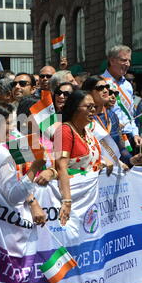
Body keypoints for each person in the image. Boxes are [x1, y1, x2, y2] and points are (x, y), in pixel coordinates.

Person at [0, 101, 48, 226]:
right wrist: (35, 167)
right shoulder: (0, 152)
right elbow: (14, 196)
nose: (12, 129)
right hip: (5, 228)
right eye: (8, 123)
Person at [54, 90, 106, 226]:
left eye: (94, 107)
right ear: (75, 108)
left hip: (90, 199)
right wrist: (67, 201)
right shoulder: (64, 130)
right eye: (89, 107)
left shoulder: (88, 131)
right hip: (73, 197)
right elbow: (61, 166)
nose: (93, 110)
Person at [83, 76, 142, 168]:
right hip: (93, 171)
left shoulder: (112, 116)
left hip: (113, 172)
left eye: (106, 87)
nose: (106, 90)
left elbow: (121, 149)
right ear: (89, 93)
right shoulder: (84, 118)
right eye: (100, 88)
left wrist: (130, 160)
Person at [102, 45, 142, 149]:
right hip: (110, 136)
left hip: (130, 136)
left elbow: (131, 114)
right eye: (124, 60)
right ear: (112, 61)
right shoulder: (101, 82)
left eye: (129, 61)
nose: (128, 64)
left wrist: (135, 133)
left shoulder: (127, 85)